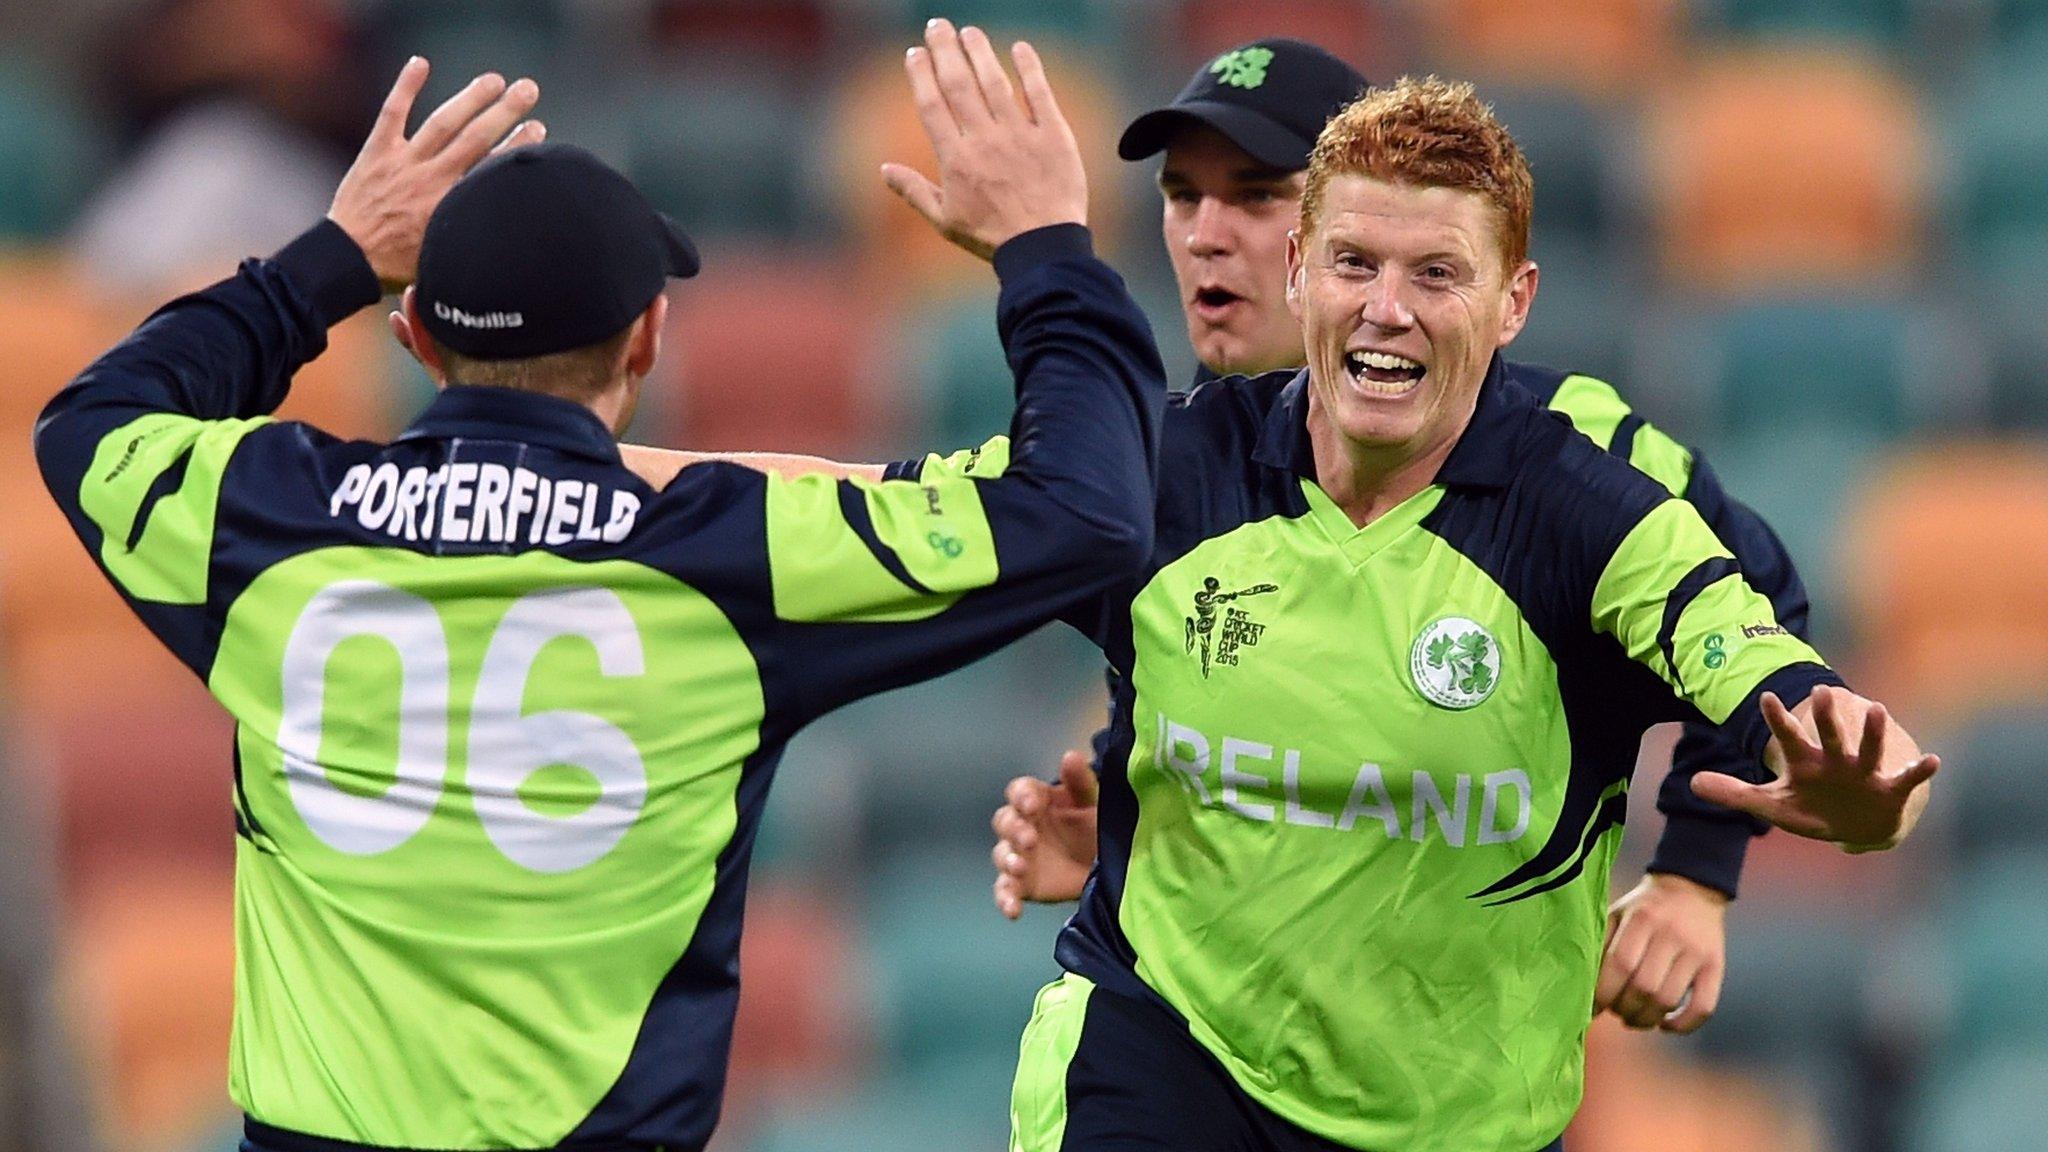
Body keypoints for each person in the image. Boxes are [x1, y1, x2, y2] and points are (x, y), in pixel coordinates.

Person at [33, 32, 1165, 1152]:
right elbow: (1084, 509)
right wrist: (1047, 249)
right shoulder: (733, 552)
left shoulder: (270, 515)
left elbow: (95, 418)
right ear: (646, 341)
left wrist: (329, 255)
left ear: (414, 336)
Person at [897, 75, 1937, 1152]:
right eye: (1353, 262)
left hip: (1451, 1105)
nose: (1210, 239)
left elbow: (1775, 666)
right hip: (1163, 1048)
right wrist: (1148, 813)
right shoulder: (1161, 462)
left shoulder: (1591, 496)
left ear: (1511, 301)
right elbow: (868, 513)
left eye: (1433, 273)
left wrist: (1715, 868)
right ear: (1307, 267)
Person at [984, 39, 1815, 1038]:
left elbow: (1756, 617)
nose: (1206, 234)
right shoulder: (1188, 450)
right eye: (1180, 195)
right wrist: (1142, 828)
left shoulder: (1575, 450)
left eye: (1254, 196)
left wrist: (1692, 873)